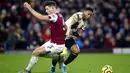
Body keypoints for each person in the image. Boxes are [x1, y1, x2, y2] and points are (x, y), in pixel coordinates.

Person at [18, 1, 66, 73]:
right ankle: (58, 57)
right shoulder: (60, 15)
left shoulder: (54, 16)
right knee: (36, 52)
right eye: (45, 9)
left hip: (57, 45)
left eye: (47, 9)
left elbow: (41, 17)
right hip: (53, 42)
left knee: (36, 52)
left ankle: (27, 71)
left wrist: (29, 7)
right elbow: (65, 27)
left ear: (53, 8)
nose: (46, 11)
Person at [51, 8, 93, 73]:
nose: (89, 16)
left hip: (69, 37)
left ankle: (64, 65)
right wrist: (76, 32)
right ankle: (53, 67)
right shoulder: (79, 15)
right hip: (62, 35)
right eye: (88, 14)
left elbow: (80, 32)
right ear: (84, 12)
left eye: (90, 15)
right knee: (57, 54)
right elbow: (73, 26)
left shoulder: (85, 22)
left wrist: (78, 34)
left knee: (76, 51)